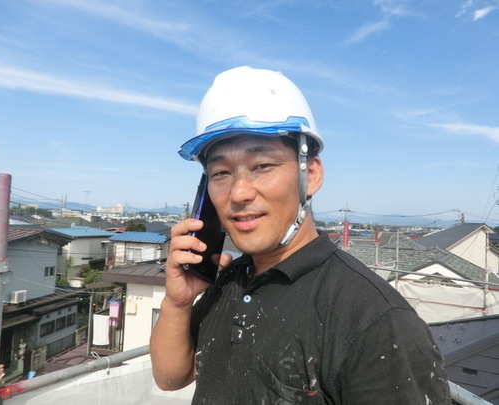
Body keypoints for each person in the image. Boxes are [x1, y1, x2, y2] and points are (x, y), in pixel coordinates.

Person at [150, 66, 450, 404]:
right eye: (220, 172)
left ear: (312, 174)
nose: (238, 193)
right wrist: (178, 302)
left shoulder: (376, 320)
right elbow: (171, 377)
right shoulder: (230, 280)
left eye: (262, 166)